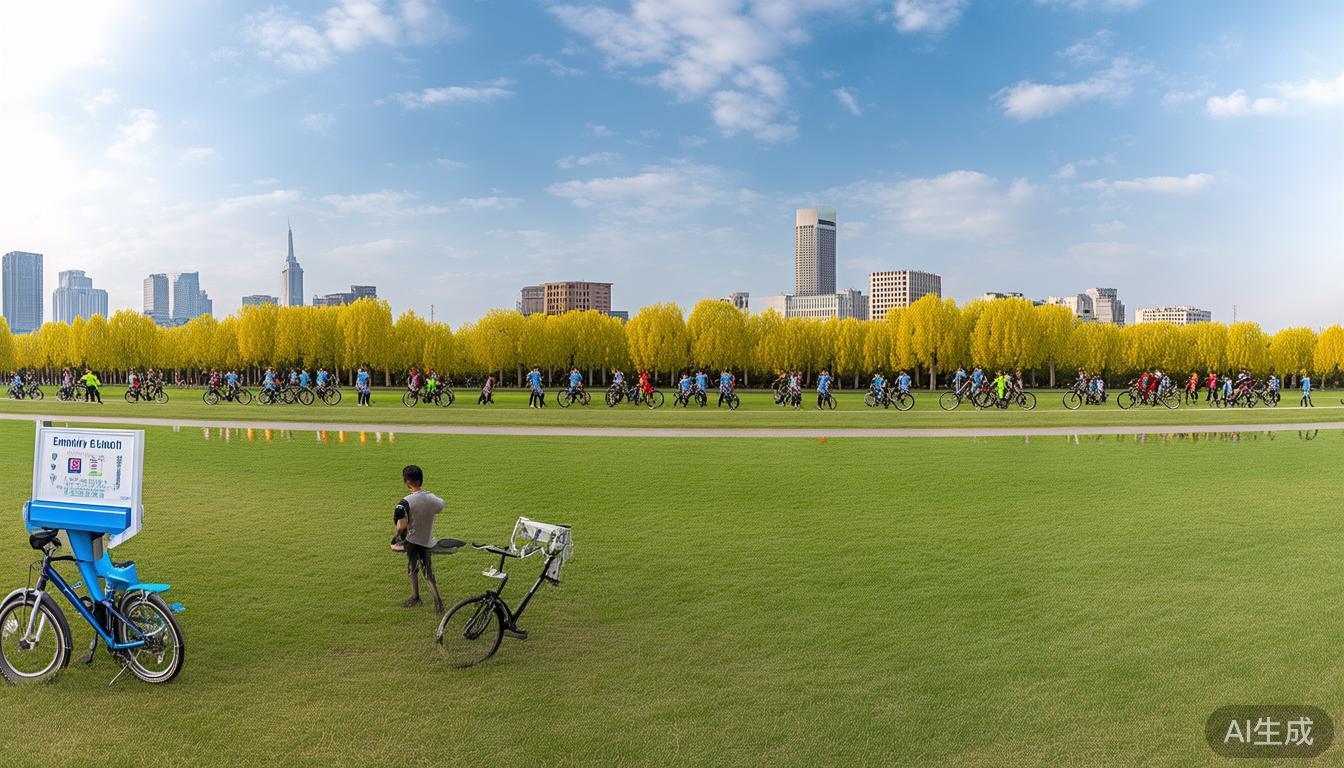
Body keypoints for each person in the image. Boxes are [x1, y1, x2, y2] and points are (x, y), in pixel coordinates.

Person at [389, 465, 446, 613]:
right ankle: (438, 602)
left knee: (412, 568)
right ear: (421, 479)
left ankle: (415, 597)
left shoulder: (404, 503)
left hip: (412, 541)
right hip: (427, 540)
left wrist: (396, 537)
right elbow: (441, 505)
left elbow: (402, 525)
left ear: (407, 481)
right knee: (428, 571)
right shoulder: (432, 499)